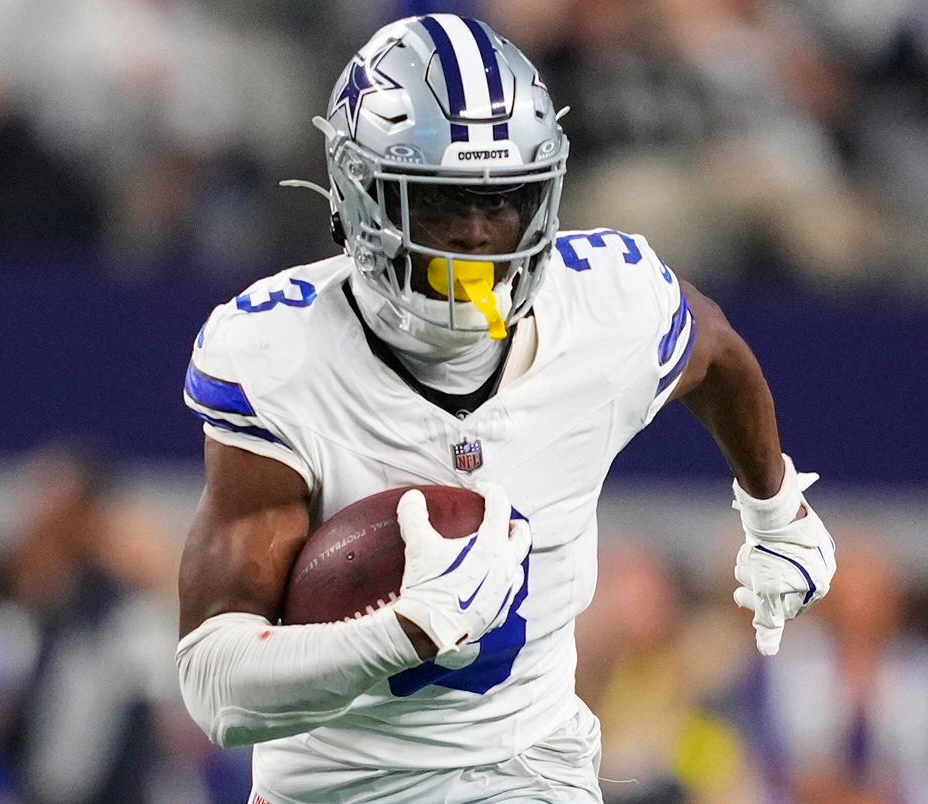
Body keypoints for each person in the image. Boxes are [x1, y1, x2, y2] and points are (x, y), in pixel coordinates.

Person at [174, 13, 837, 803]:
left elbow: (717, 350)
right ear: (359, 196)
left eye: (503, 204)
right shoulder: (284, 355)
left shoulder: (603, 303)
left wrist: (775, 507)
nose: (477, 239)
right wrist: (398, 632)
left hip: (530, 775)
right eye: (442, 205)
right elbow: (216, 690)